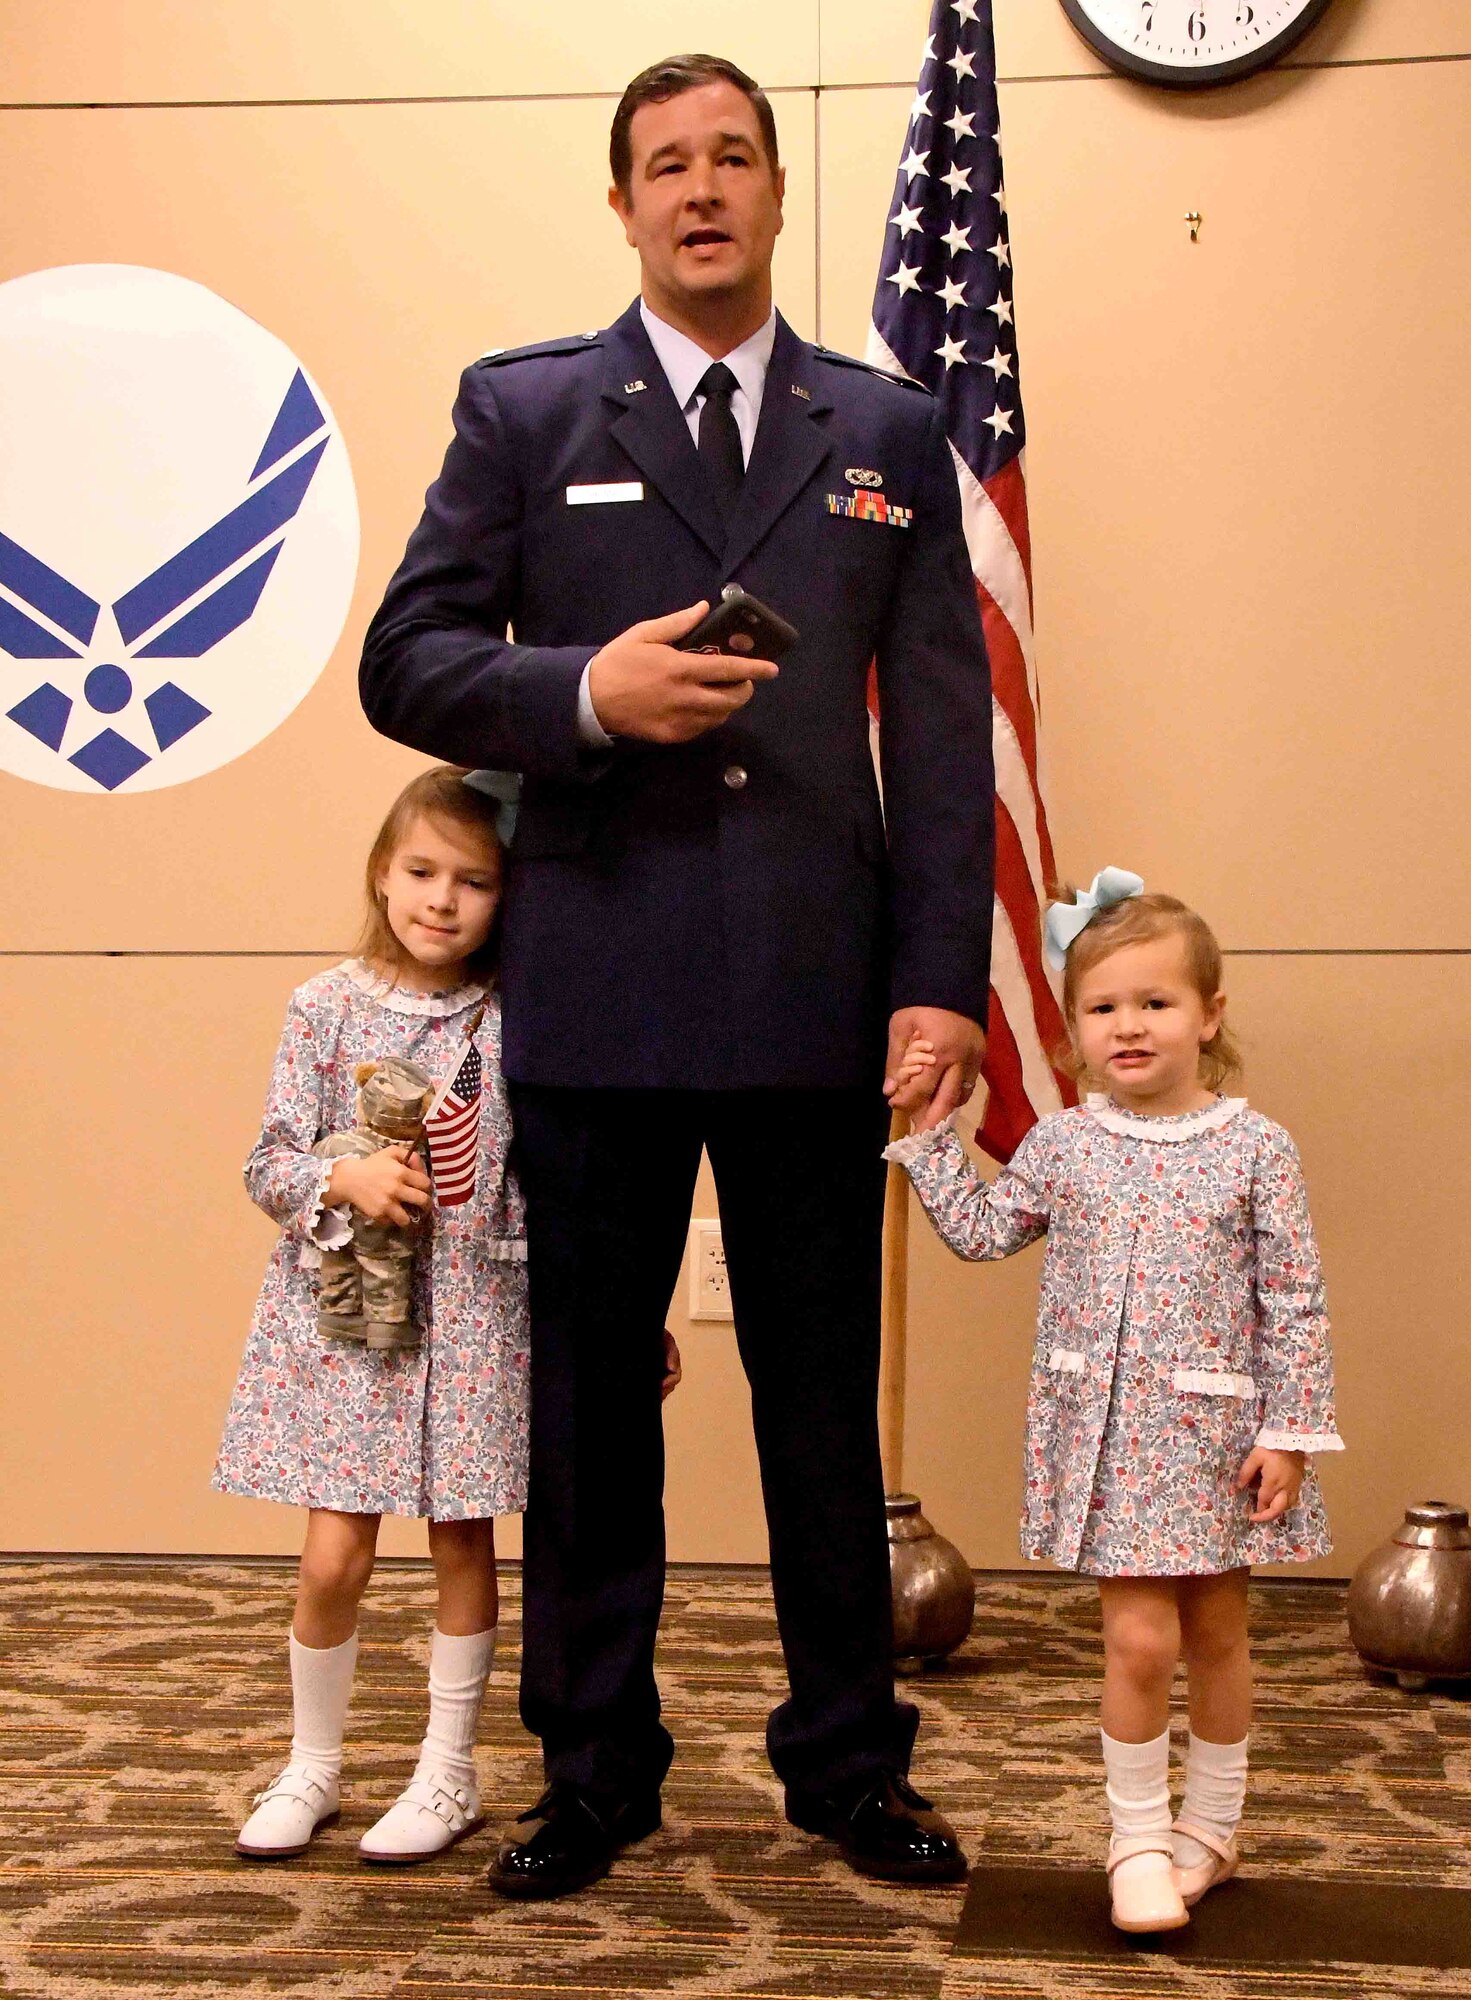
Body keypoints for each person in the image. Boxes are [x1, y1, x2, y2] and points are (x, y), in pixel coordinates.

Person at [358, 52, 994, 1896]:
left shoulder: (883, 431)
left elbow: (942, 737)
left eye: (732, 158)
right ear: (621, 204)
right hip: (601, 986)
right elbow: (407, 661)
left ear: (778, 193)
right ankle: (596, 1768)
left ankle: (849, 1770)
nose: (700, 189)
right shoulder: (528, 409)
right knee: (588, 1411)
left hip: (815, 992)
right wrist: (577, 697)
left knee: (819, 1406)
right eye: (664, 165)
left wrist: (937, 977)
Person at [214, 765, 682, 1867]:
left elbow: (554, 1184)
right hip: (350, 1326)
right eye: (422, 871)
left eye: (475, 880)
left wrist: (621, 1313)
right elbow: (268, 1157)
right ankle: (312, 1762)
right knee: (333, 1554)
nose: (442, 899)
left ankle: (448, 1769)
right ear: (382, 873)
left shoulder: (513, 1014)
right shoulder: (323, 1005)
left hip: (476, 1317)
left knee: (463, 1544)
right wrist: (345, 1177)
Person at [888, 871, 1342, 1933]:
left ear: (1209, 1014)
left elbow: (1296, 1299)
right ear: (1071, 1031)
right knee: (1139, 1642)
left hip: (1215, 1437)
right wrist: (928, 1136)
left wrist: (1289, 1430)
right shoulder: (1064, 1143)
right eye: (1101, 1007)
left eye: (1154, 1002)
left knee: (1221, 1634)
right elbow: (987, 1229)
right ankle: (1134, 1834)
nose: (1127, 1025)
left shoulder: (1254, 1146)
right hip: (1107, 1441)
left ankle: (1212, 1827)